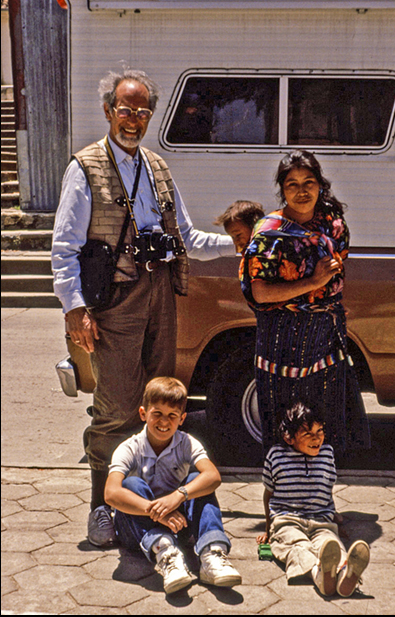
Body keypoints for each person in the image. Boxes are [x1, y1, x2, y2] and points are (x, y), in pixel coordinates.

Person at [51, 68, 236, 547]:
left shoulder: (157, 167)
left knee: (157, 402)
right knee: (114, 407)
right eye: (125, 109)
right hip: (113, 301)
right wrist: (75, 309)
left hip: (160, 294)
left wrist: (239, 241)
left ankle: (146, 500)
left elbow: (187, 238)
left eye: (142, 111)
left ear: (150, 116)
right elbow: (64, 247)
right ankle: (101, 505)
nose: (133, 119)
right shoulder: (85, 166)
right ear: (109, 110)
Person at [239, 150, 370, 456]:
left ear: (320, 186)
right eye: (292, 184)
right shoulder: (269, 233)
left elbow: (336, 273)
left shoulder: (333, 226)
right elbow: (260, 293)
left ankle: (319, 494)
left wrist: (329, 299)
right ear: (282, 191)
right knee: (284, 424)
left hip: (325, 336)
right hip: (281, 337)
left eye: (308, 182)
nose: (302, 191)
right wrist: (312, 283)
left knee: (325, 425)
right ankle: (280, 497)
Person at [105, 377, 242, 594]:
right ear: (143, 414)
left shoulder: (187, 442)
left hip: (177, 522)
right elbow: (111, 493)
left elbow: (213, 476)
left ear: (182, 419)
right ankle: (166, 555)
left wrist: (178, 496)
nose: (164, 422)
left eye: (172, 416)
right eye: (156, 413)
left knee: (197, 480)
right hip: (135, 527)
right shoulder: (129, 447)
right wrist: (157, 513)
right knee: (131, 483)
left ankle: (211, 553)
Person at [256, 402, 370, 596]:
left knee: (330, 543)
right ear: (289, 438)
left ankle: (345, 575)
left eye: (320, 431)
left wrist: (334, 517)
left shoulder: (327, 454)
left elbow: (327, 489)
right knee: (298, 547)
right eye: (308, 434)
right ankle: (319, 574)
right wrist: (268, 530)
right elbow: (268, 495)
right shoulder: (276, 456)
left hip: (321, 521)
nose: (317, 438)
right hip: (287, 520)